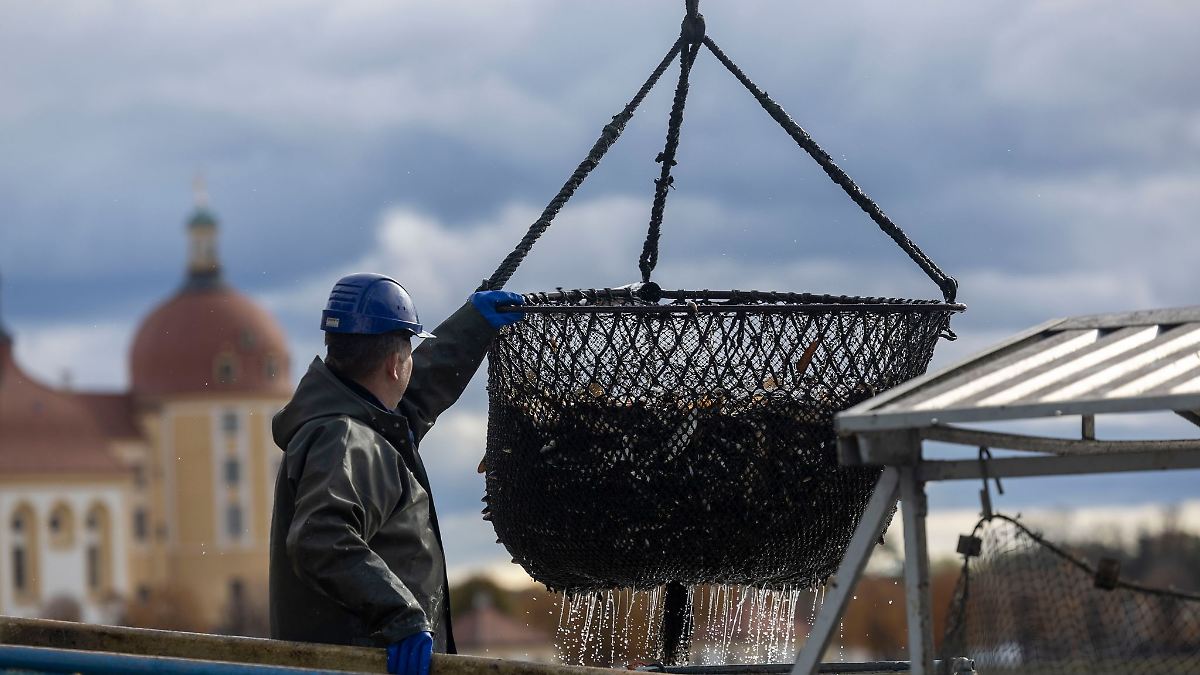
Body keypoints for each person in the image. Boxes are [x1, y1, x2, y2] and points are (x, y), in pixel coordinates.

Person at [269, 273, 524, 675]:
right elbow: (320, 538)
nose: (410, 364)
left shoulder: (359, 422)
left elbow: (415, 393)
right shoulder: (345, 439)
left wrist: (473, 326)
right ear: (394, 365)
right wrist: (400, 616)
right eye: (409, 350)